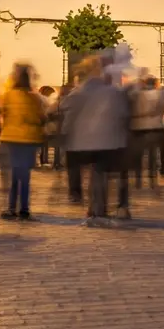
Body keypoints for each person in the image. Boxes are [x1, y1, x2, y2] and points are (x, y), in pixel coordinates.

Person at [63, 57, 132, 224]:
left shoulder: (79, 91)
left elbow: (67, 110)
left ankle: (95, 208)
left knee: (95, 173)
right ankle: (100, 208)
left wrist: (68, 132)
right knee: (101, 173)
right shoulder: (113, 92)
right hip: (108, 140)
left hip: (84, 141)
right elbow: (123, 115)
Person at [0, 64, 45, 221]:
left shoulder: (8, 95)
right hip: (28, 140)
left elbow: (3, 114)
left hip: (11, 139)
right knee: (24, 177)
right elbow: (40, 118)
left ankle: (11, 208)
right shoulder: (34, 97)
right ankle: (24, 209)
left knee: (13, 175)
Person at [128, 73, 164, 189]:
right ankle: (152, 179)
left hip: (139, 127)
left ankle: (138, 179)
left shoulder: (138, 95)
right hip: (154, 127)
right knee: (152, 155)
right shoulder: (158, 95)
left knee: (139, 155)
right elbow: (162, 109)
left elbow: (132, 109)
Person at [38, 86, 56, 166]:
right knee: (44, 143)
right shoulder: (44, 99)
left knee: (43, 144)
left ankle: (43, 159)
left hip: (41, 123)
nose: (51, 94)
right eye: (50, 92)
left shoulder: (41, 98)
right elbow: (48, 111)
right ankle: (44, 160)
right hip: (43, 123)